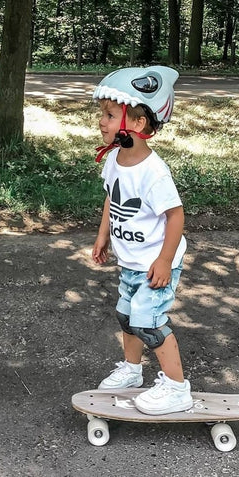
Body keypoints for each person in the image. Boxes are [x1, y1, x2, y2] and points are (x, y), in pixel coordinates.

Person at [91, 66, 192, 415]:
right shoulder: (116, 160)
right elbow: (111, 197)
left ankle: (177, 388)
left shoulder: (154, 173)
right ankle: (133, 372)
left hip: (155, 263)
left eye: (108, 114)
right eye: (101, 113)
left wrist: (164, 261)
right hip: (131, 261)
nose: (101, 121)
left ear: (136, 123)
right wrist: (103, 235)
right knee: (126, 316)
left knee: (148, 322)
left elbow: (175, 216)